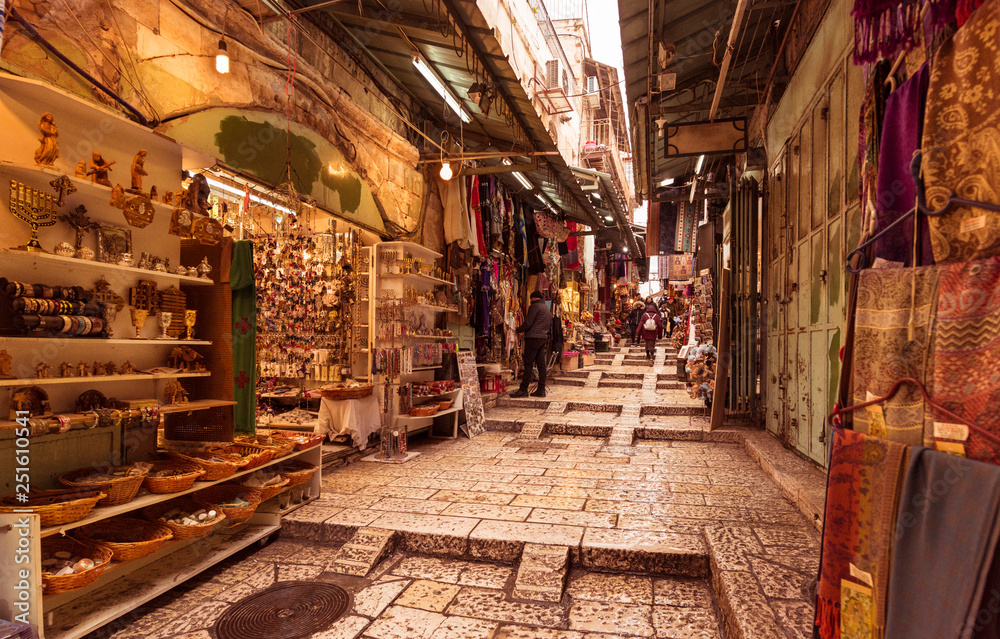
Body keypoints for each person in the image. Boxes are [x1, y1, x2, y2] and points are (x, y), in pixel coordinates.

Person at [512, 291, 553, 397]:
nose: (530, 301)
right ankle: (541, 389)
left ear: (534, 298)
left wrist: (518, 330)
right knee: (541, 364)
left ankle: (523, 389)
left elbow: (528, 323)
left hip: (533, 338)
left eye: (531, 299)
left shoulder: (534, 307)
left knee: (528, 364)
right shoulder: (546, 309)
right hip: (542, 339)